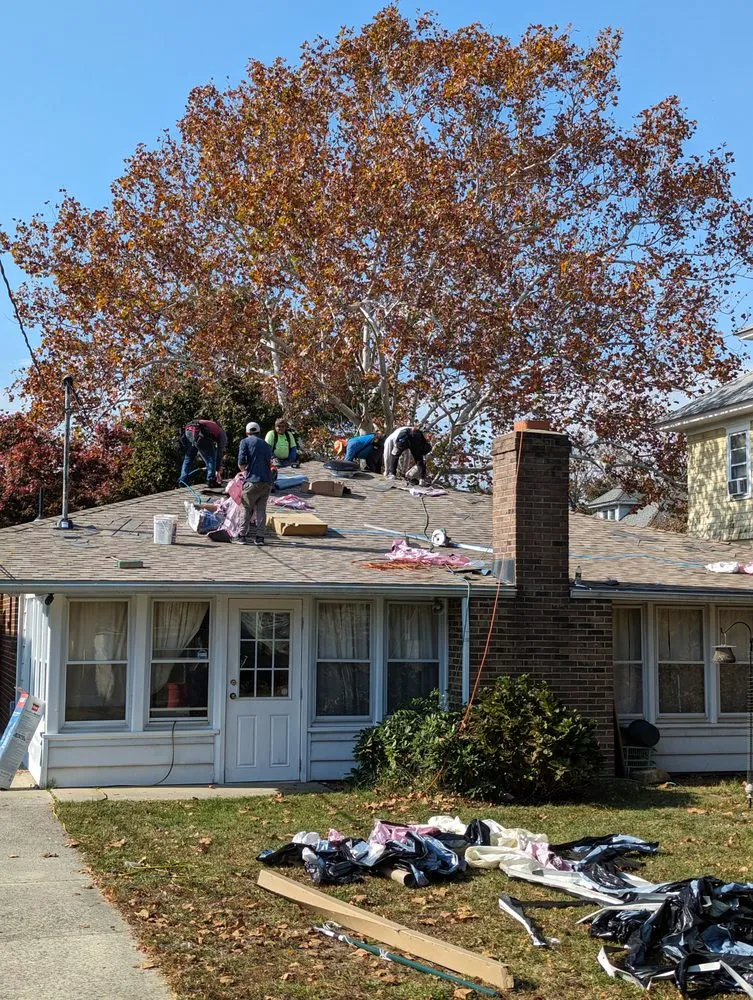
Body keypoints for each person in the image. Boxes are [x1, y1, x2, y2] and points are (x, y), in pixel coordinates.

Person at [234, 422, 274, 545]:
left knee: (246, 508)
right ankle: (260, 538)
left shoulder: (245, 442)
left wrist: (243, 472)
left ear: (247, 433)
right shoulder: (267, 445)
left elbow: (241, 461)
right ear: (259, 432)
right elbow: (271, 463)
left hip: (252, 481)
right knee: (261, 510)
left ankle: (241, 536)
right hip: (266, 482)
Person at [179, 419, 227, 487]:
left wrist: (209, 465)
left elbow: (202, 452)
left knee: (189, 457)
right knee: (211, 456)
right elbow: (219, 453)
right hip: (198, 432)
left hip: (188, 430)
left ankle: (182, 480)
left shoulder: (210, 425)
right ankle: (211, 480)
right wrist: (217, 469)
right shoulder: (222, 435)